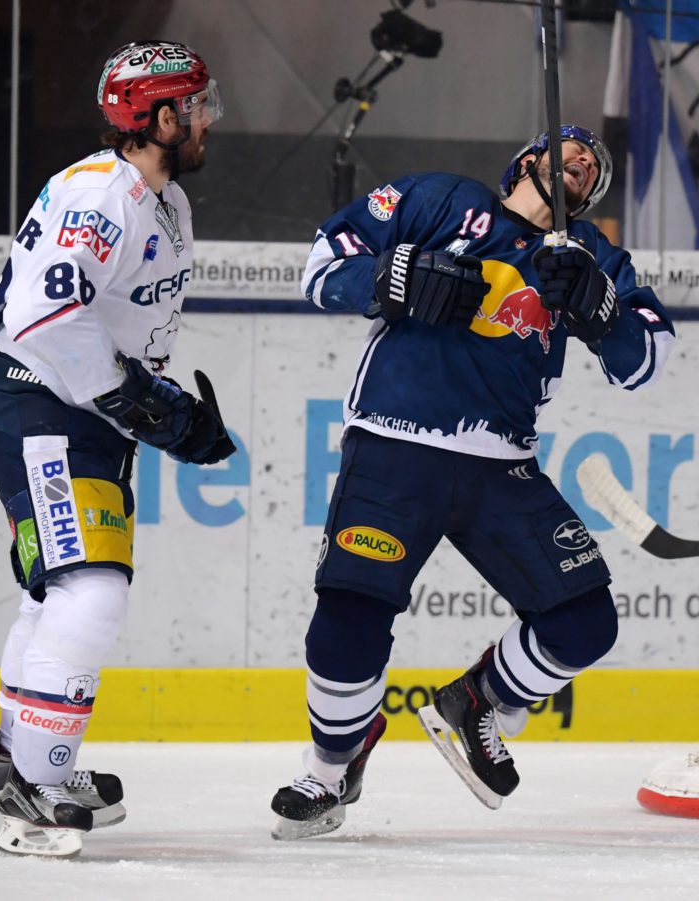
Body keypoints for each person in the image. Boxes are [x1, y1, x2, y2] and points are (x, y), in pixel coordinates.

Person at [270, 125, 676, 839]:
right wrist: (392, 277)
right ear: (524, 161)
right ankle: (331, 768)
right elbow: (322, 265)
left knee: (585, 623)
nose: (581, 163)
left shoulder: (591, 254)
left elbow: (648, 360)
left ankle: (479, 700)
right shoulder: (440, 199)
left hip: (503, 464)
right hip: (395, 444)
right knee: (348, 619)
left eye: (591, 167)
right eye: (567, 152)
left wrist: (601, 306)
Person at [0, 39, 235, 858]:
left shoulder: (165, 202)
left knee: (56, 595)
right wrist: (137, 399)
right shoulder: (99, 194)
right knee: (91, 590)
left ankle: (21, 761)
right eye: (194, 107)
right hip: (43, 408)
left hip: (76, 418)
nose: (206, 120)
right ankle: (34, 782)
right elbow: (45, 316)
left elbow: (116, 326)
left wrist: (163, 407)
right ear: (158, 119)